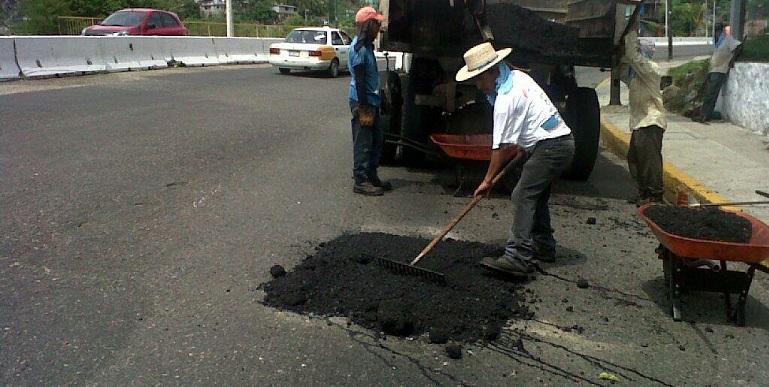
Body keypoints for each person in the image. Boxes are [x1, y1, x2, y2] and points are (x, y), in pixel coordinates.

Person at [455, 42, 575, 276]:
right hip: (557, 143)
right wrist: (525, 143)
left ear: (492, 71)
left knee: (521, 195)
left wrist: (487, 180)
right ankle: (544, 246)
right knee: (536, 195)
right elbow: (530, 117)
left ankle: (518, 256)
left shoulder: (506, 98)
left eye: (480, 79)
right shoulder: (518, 77)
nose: (479, 86)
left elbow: (499, 148)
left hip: (552, 147)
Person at [619, 32, 667, 205]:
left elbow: (634, 58)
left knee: (650, 161)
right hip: (640, 122)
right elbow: (624, 68)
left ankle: (655, 195)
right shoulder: (636, 75)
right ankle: (644, 193)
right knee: (634, 159)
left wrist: (630, 32)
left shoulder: (651, 69)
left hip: (651, 121)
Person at [348, 6, 391, 196]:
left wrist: (381, 98)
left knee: (377, 140)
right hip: (362, 102)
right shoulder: (358, 48)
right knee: (363, 143)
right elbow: (360, 79)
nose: (379, 27)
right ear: (368, 25)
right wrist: (364, 107)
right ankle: (361, 180)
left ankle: (371, 174)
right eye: (376, 23)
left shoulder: (367, 47)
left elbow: (372, 78)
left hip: (372, 101)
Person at [697, 23, 742, 123]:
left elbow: (738, 46)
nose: (717, 32)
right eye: (716, 30)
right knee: (708, 94)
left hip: (720, 69)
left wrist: (732, 60)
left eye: (719, 30)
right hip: (713, 69)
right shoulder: (716, 41)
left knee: (711, 94)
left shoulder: (728, 39)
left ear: (722, 30)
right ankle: (703, 114)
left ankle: (705, 116)